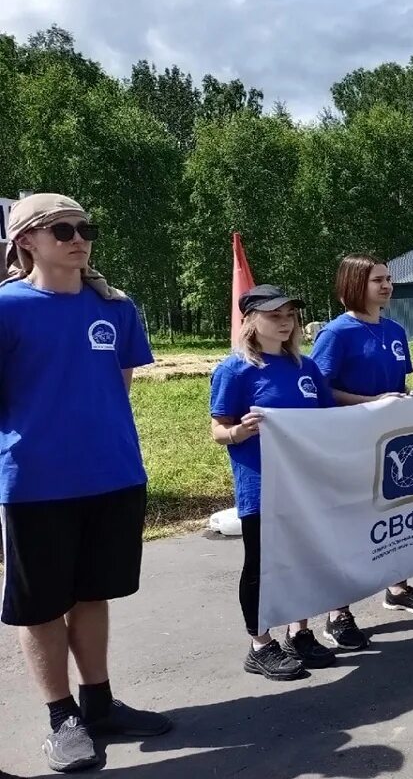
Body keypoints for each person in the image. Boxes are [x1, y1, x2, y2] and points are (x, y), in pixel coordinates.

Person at [1, 193, 171, 772]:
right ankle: (62, 718)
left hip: (113, 474)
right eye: (63, 230)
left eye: (85, 228)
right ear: (27, 242)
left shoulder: (117, 308)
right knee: (42, 605)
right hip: (36, 483)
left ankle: (98, 704)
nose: (79, 238)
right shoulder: (8, 308)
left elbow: (116, 386)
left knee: (92, 592)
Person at [211, 284, 346, 679]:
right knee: (262, 566)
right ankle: (260, 644)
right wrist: (239, 432)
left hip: (304, 484)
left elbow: (326, 419)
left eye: (290, 315)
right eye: (275, 316)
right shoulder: (234, 369)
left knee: (304, 560)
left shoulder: (305, 368)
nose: (285, 322)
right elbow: (218, 429)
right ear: (251, 320)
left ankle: (298, 632)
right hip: (262, 485)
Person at [310, 253, 413, 616]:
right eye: (377, 280)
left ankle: (397, 588)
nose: (387, 286)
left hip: (390, 442)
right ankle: (339, 613)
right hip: (350, 442)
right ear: (354, 285)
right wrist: (371, 402)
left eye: (388, 279)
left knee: (392, 517)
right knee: (350, 528)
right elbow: (321, 391)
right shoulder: (336, 333)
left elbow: (397, 384)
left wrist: (401, 402)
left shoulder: (395, 330)